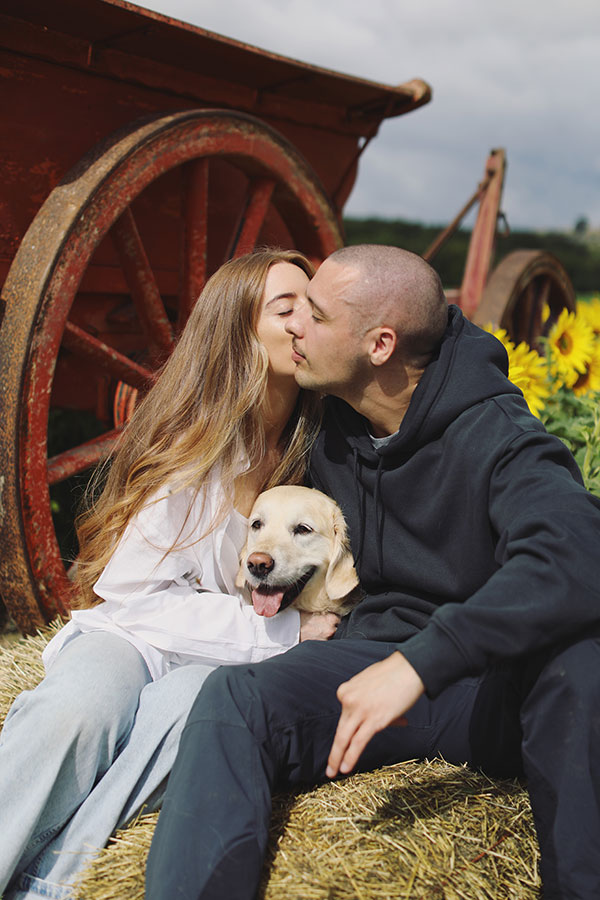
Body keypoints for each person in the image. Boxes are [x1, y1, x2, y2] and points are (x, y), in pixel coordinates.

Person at [145, 244, 600, 900]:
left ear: (379, 344)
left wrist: (423, 662)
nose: (296, 323)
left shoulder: (498, 435)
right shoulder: (330, 415)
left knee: (582, 665)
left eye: (317, 314)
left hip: (491, 689)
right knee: (234, 698)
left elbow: (579, 553)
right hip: (368, 671)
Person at [0, 248, 340, 900]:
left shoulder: (315, 446)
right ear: (239, 329)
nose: (304, 322)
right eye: (285, 306)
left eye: (313, 308)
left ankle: (48, 885)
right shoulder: (197, 444)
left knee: (194, 709)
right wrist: (283, 633)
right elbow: (133, 597)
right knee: (79, 711)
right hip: (135, 636)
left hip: (211, 665)